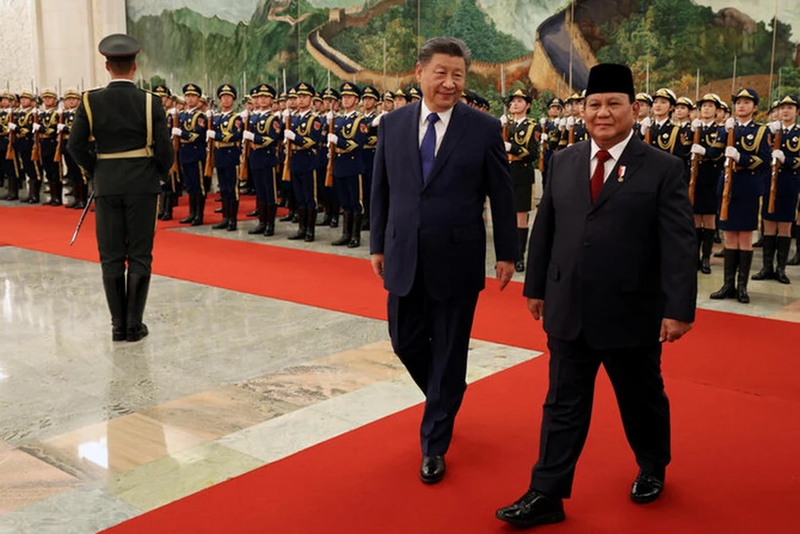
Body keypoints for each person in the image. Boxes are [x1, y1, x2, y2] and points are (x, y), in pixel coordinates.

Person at [495, 63, 696, 529]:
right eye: (594, 104)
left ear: (634, 109)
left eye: (613, 104)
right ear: (583, 110)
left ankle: (652, 465)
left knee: (640, 398)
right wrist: (537, 285)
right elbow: (547, 228)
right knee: (562, 403)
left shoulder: (663, 168)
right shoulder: (564, 160)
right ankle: (546, 492)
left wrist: (678, 308)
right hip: (568, 306)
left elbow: (680, 244)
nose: (602, 113)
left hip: (630, 309)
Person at [370, 36, 516, 485]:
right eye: (441, 73)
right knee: (404, 342)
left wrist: (508, 253)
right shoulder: (392, 124)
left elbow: (502, 193)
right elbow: (382, 188)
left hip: (457, 256)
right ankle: (447, 391)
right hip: (402, 253)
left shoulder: (484, 128)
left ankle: (434, 443)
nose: (450, 83)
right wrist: (377, 243)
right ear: (419, 74)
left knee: (450, 348)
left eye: (458, 75)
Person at [67, 33, 174, 342]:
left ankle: (117, 326)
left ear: (106, 66)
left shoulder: (90, 100)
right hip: (143, 184)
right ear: (135, 66)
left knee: (111, 256)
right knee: (140, 255)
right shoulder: (149, 101)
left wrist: (94, 169)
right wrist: (157, 172)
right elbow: (165, 151)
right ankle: (133, 325)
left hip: (107, 184)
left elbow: (75, 146)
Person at [709, 88, 770, 304]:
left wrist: (741, 158)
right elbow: (714, 152)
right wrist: (723, 134)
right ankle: (728, 285)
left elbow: (764, 160)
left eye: (746, 102)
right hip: (727, 187)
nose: (741, 106)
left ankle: (742, 287)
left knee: (744, 237)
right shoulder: (727, 128)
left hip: (748, 188)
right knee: (729, 236)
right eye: (738, 102)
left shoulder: (762, 131)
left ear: (754, 107)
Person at [752, 95, 800, 284]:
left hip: (789, 182)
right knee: (769, 224)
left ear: (797, 111)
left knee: (785, 227)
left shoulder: (798, 133)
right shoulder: (768, 132)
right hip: (768, 183)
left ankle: (781, 268)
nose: (785, 111)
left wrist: (786, 160)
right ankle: (766, 267)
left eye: (790, 107)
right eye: (782, 108)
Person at [501, 88, 539, 272]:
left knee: (520, 217)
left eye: (519, 101)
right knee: (505, 216)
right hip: (504, 173)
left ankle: (519, 256)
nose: (515, 104)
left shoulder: (532, 126)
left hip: (521, 173)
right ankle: (505, 256)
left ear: (528, 105)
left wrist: (512, 148)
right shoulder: (504, 124)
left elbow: (532, 153)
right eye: (513, 101)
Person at [688, 93, 725, 274]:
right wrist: (690, 132)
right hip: (695, 179)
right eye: (703, 106)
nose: (706, 109)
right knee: (694, 219)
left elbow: (717, 152)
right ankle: (694, 256)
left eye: (710, 106)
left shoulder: (720, 130)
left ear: (717, 111)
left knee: (709, 220)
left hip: (711, 177)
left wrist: (705, 151)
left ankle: (706, 258)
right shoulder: (694, 128)